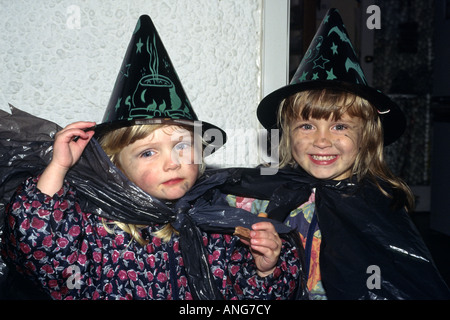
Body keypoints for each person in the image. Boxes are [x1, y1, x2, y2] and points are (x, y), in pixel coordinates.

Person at [0, 15, 304, 300]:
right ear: (116, 167)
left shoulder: (216, 226)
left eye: (182, 147)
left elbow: (249, 298)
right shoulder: (96, 230)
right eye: (148, 152)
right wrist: (59, 166)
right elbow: (35, 244)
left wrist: (265, 269)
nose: (171, 163)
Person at [223, 8, 450, 300]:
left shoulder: (379, 203)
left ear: (366, 135)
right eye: (306, 126)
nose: (321, 141)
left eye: (340, 126)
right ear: (287, 133)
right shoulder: (265, 198)